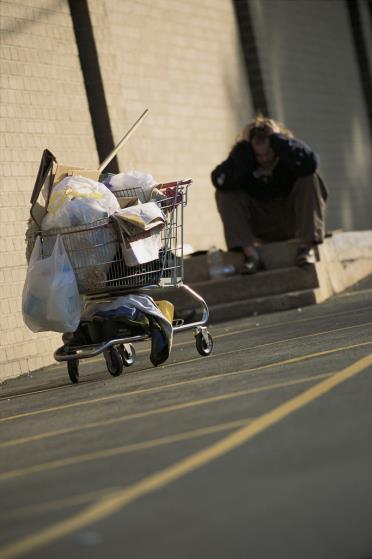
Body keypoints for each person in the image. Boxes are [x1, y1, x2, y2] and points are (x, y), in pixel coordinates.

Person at [211, 116, 328, 273]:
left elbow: (310, 163)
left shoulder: (288, 153)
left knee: (309, 178)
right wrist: (245, 147)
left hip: (291, 219)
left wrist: (278, 139)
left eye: (269, 154)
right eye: (259, 156)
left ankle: (306, 249)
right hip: (261, 223)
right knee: (224, 193)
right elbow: (220, 180)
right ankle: (251, 257)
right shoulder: (243, 159)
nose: (265, 159)